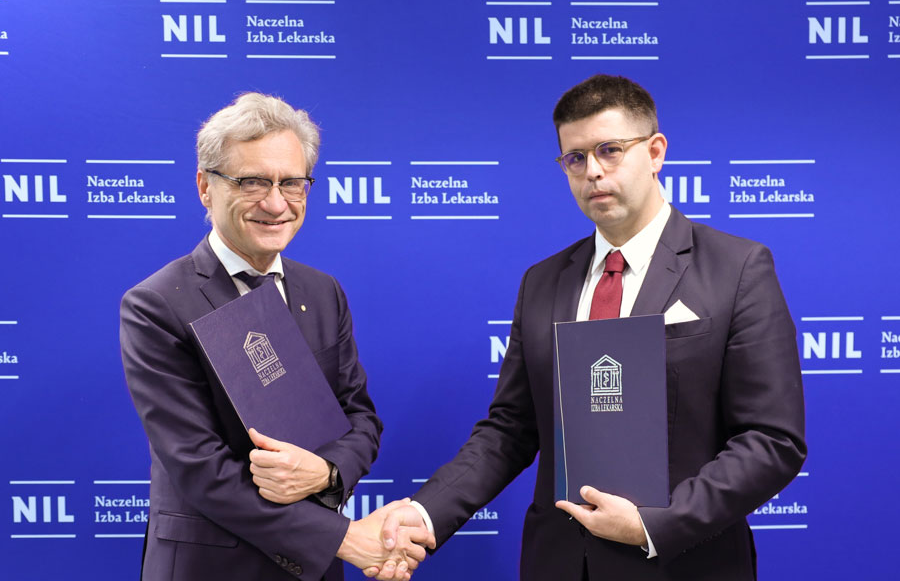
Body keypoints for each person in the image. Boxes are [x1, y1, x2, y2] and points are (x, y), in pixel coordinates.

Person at [376, 74, 806, 580]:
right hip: (557, 564)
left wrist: (655, 523)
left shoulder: (737, 268)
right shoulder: (543, 281)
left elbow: (772, 440)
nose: (593, 172)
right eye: (575, 158)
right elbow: (512, 428)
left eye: (610, 150)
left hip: (684, 564)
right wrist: (427, 512)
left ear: (656, 151)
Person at [120, 92, 432, 581]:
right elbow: (198, 467)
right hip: (211, 566)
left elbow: (360, 418)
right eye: (251, 182)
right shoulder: (157, 304)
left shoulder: (322, 291)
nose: (275, 203)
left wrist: (327, 473)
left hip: (314, 569)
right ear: (205, 186)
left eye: (292, 183)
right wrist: (345, 539)